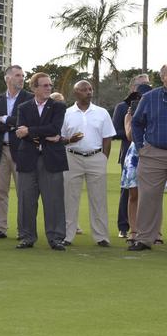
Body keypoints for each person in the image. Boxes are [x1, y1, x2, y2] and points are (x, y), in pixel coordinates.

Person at [13, 72, 68, 251]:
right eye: (45, 85)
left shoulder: (58, 106)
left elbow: (54, 128)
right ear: (34, 88)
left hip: (51, 160)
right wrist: (42, 134)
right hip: (27, 159)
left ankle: (56, 238)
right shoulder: (23, 107)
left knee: (54, 201)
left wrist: (30, 131)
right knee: (26, 200)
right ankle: (26, 237)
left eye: (50, 85)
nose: (49, 88)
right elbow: (20, 132)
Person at [60, 80, 116, 247]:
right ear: (76, 93)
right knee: (69, 199)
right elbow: (60, 138)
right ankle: (67, 236)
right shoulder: (67, 113)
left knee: (98, 199)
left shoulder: (102, 113)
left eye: (90, 89)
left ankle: (101, 237)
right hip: (72, 157)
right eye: (84, 89)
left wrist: (103, 158)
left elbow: (107, 138)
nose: (89, 92)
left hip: (96, 157)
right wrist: (70, 140)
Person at [0, 65, 32, 239]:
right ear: (8, 78)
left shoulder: (29, 98)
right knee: (1, 192)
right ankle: (0, 228)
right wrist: (12, 124)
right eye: (18, 75)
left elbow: (26, 123)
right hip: (1, 150)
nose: (22, 78)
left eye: (22, 75)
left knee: (24, 193)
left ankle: (24, 230)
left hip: (21, 151)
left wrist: (5, 119)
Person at [128, 63, 167, 251]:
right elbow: (136, 123)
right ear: (163, 77)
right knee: (148, 197)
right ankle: (144, 239)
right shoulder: (149, 97)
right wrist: (140, 147)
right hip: (153, 154)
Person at [111, 74, 150, 239]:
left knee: (149, 192)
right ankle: (123, 226)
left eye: (147, 84)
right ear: (133, 87)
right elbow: (115, 132)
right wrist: (134, 127)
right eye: (142, 84)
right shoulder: (123, 107)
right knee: (128, 191)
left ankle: (147, 228)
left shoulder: (152, 103)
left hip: (149, 152)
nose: (146, 87)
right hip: (130, 153)